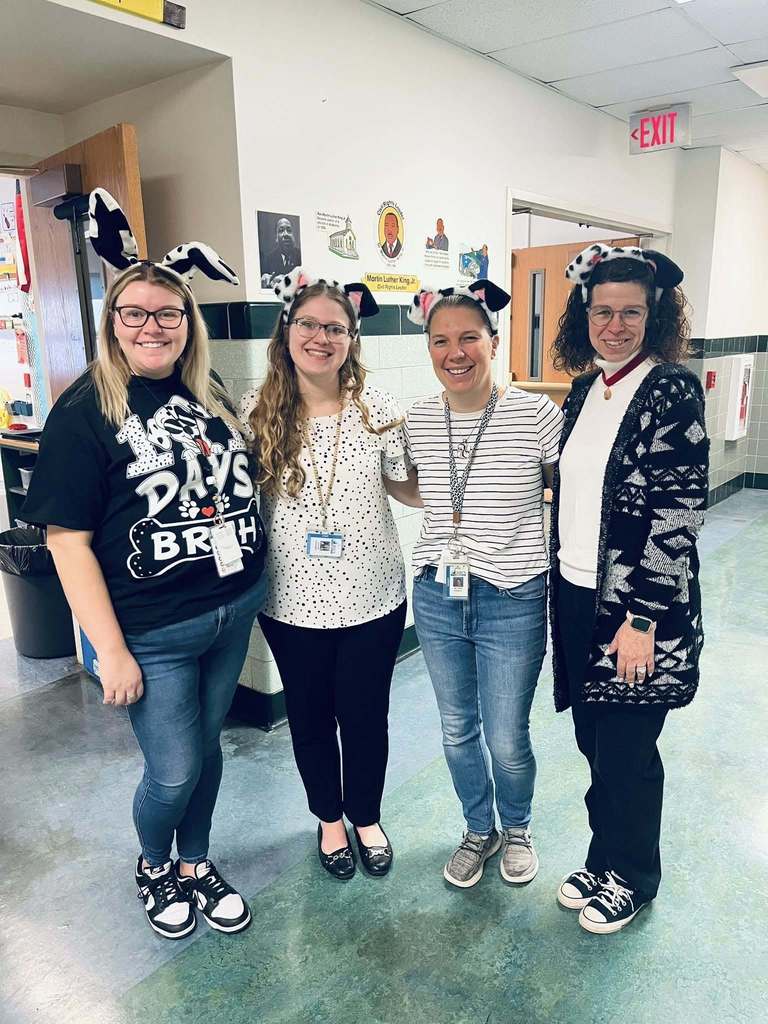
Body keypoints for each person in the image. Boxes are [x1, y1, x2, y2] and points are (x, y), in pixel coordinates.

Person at [22, 188, 266, 939]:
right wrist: (112, 651)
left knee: (209, 751)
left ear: (187, 325)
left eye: (169, 314)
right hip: (152, 630)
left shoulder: (210, 391)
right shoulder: (84, 410)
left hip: (232, 607)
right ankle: (155, 864)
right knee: (172, 769)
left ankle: (195, 862)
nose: (153, 326)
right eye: (137, 314)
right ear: (114, 324)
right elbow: (67, 543)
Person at [549, 243, 709, 934]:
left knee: (629, 754)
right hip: (578, 595)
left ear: (655, 316)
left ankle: (634, 876)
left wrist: (642, 618)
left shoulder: (670, 388)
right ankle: (604, 856)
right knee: (594, 742)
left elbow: (679, 513)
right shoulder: (587, 389)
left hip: (639, 610)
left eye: (631, 313)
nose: (615, 325)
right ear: (586, 314)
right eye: (603, 311)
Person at [240, 267, 418, 880]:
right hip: (289, 601)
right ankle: (329, 820)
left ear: (352, 338)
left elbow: (405, 486)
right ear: (286, 330)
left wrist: (471, 488)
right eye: (309, 324)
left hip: (373, 595)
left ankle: (365, 815)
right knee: (310, 716)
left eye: (336, 328)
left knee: (366, 716)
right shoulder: (255, 412)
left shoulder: (379, 410)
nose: (322, 337)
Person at [405, 279, 562, 889]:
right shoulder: (419, 416)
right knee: (455, 731)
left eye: (469, 337)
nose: (456, 352)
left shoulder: (536, 415)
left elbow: (566, 489)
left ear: (493, 342)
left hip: (514, 595)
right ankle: (479, 829)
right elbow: (410, 486)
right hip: (438, 595)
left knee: (506, 734)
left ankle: (517, 827)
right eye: (441, 340)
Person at [261, 216, 301, 284]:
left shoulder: (300, 256)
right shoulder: (268, 259)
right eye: (281, 230)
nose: (286, 234)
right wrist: (264, 278)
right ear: (276, 237)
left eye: (289, 230)